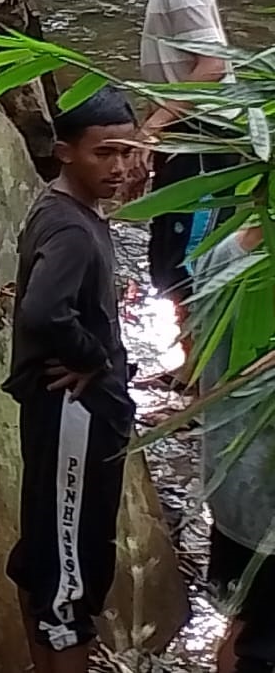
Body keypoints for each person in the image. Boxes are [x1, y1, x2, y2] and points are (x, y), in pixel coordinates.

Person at [4, 86, 139, 671]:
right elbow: (42, 311)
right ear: (64, 152)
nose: (120, 167)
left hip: (71, 416)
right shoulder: (72, 230)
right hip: (73, 418)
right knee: (69, 571)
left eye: (128, 153)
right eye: (104, 154)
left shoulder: (63, 210)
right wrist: (94, 358)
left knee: (52, 556)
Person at [89, 0, 231, 383]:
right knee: (169, 258)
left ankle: (199, 383)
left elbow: (212, 66)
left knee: (189, 261)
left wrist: (151, 130)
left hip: (207, 144)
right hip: (187, 140)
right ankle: (189, 371)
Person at [192, 225, 275, 673]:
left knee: (244, 625)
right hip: (263, 496)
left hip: (233, 486)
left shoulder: (228, 250)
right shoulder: (255, 267)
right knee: (259, 644)